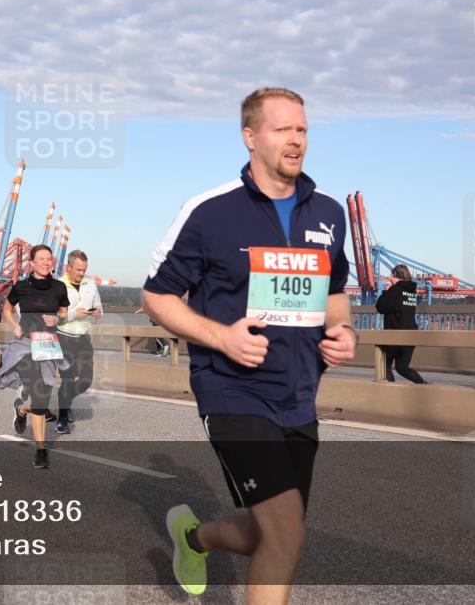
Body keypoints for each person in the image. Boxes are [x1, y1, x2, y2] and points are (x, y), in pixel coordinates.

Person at [143, 87, 357, 600]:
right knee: (285, 534)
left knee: (276, 532)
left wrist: (344, 331)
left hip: (298, 394)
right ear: (250, 137)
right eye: (282, 129)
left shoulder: (328, 213)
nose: (296, 140)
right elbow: (157, 296)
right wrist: (223, 338)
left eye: (302, 130)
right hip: (232, 389)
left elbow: (335, 294)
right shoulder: (211, 211)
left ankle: (193, 537)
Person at [0, 245, 69, 468]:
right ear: (32, 263)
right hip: (26, 345)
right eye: (42, 259)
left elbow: (64, 313)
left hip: (48, 346)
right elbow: (7, 309)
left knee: (41, 399)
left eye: (49, 259)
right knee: (38, 391)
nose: (46, 262)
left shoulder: (59, 287)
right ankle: (41, 451)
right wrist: (14, 325)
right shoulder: (21, 287)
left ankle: (22, 409)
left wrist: (58, 320)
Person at [55, 250, 102, 434]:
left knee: (85, 381)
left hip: (84, 339)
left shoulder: (90, 284)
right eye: (79, 270)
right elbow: (52, 317)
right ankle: (63, 417)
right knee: (67, 379)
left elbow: (99, 308)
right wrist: (75, 314)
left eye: (84, 270)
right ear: (69, 267)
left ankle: (65, 403)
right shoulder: (58, 285)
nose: (82, 274)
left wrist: (98, 312)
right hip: (64, 338)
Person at [376, 264, 427, 385]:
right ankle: (422, 385)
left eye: (391, 277)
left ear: (396, 277)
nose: (390, 280)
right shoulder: (412, 292)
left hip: (395, 334)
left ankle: (390, 392)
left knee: (384, 365)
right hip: (410, 335)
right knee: (402, 367)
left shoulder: (395, 290)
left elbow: (380, 307)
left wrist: (387, 292)